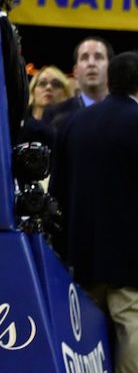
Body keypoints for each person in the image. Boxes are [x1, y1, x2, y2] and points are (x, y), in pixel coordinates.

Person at [49, 52, 138, 373]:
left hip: (81, 257)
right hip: (130, 261)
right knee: (133, 331)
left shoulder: (73, 123)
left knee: (83, 343)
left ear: (110, 79)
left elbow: (56, 193)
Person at [43, 36, 112, 135]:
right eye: (84, 58)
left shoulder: (126, 114)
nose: (91, 63)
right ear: (75, 71)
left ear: (110, 67)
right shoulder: (54, 114)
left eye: (98, 57)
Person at [18, 65, 71, 148]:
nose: (48, 87)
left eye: (56, 84)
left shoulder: (73, 127)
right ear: (32, 91)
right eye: (42, 83)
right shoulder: (19, 124)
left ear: (66, 93)